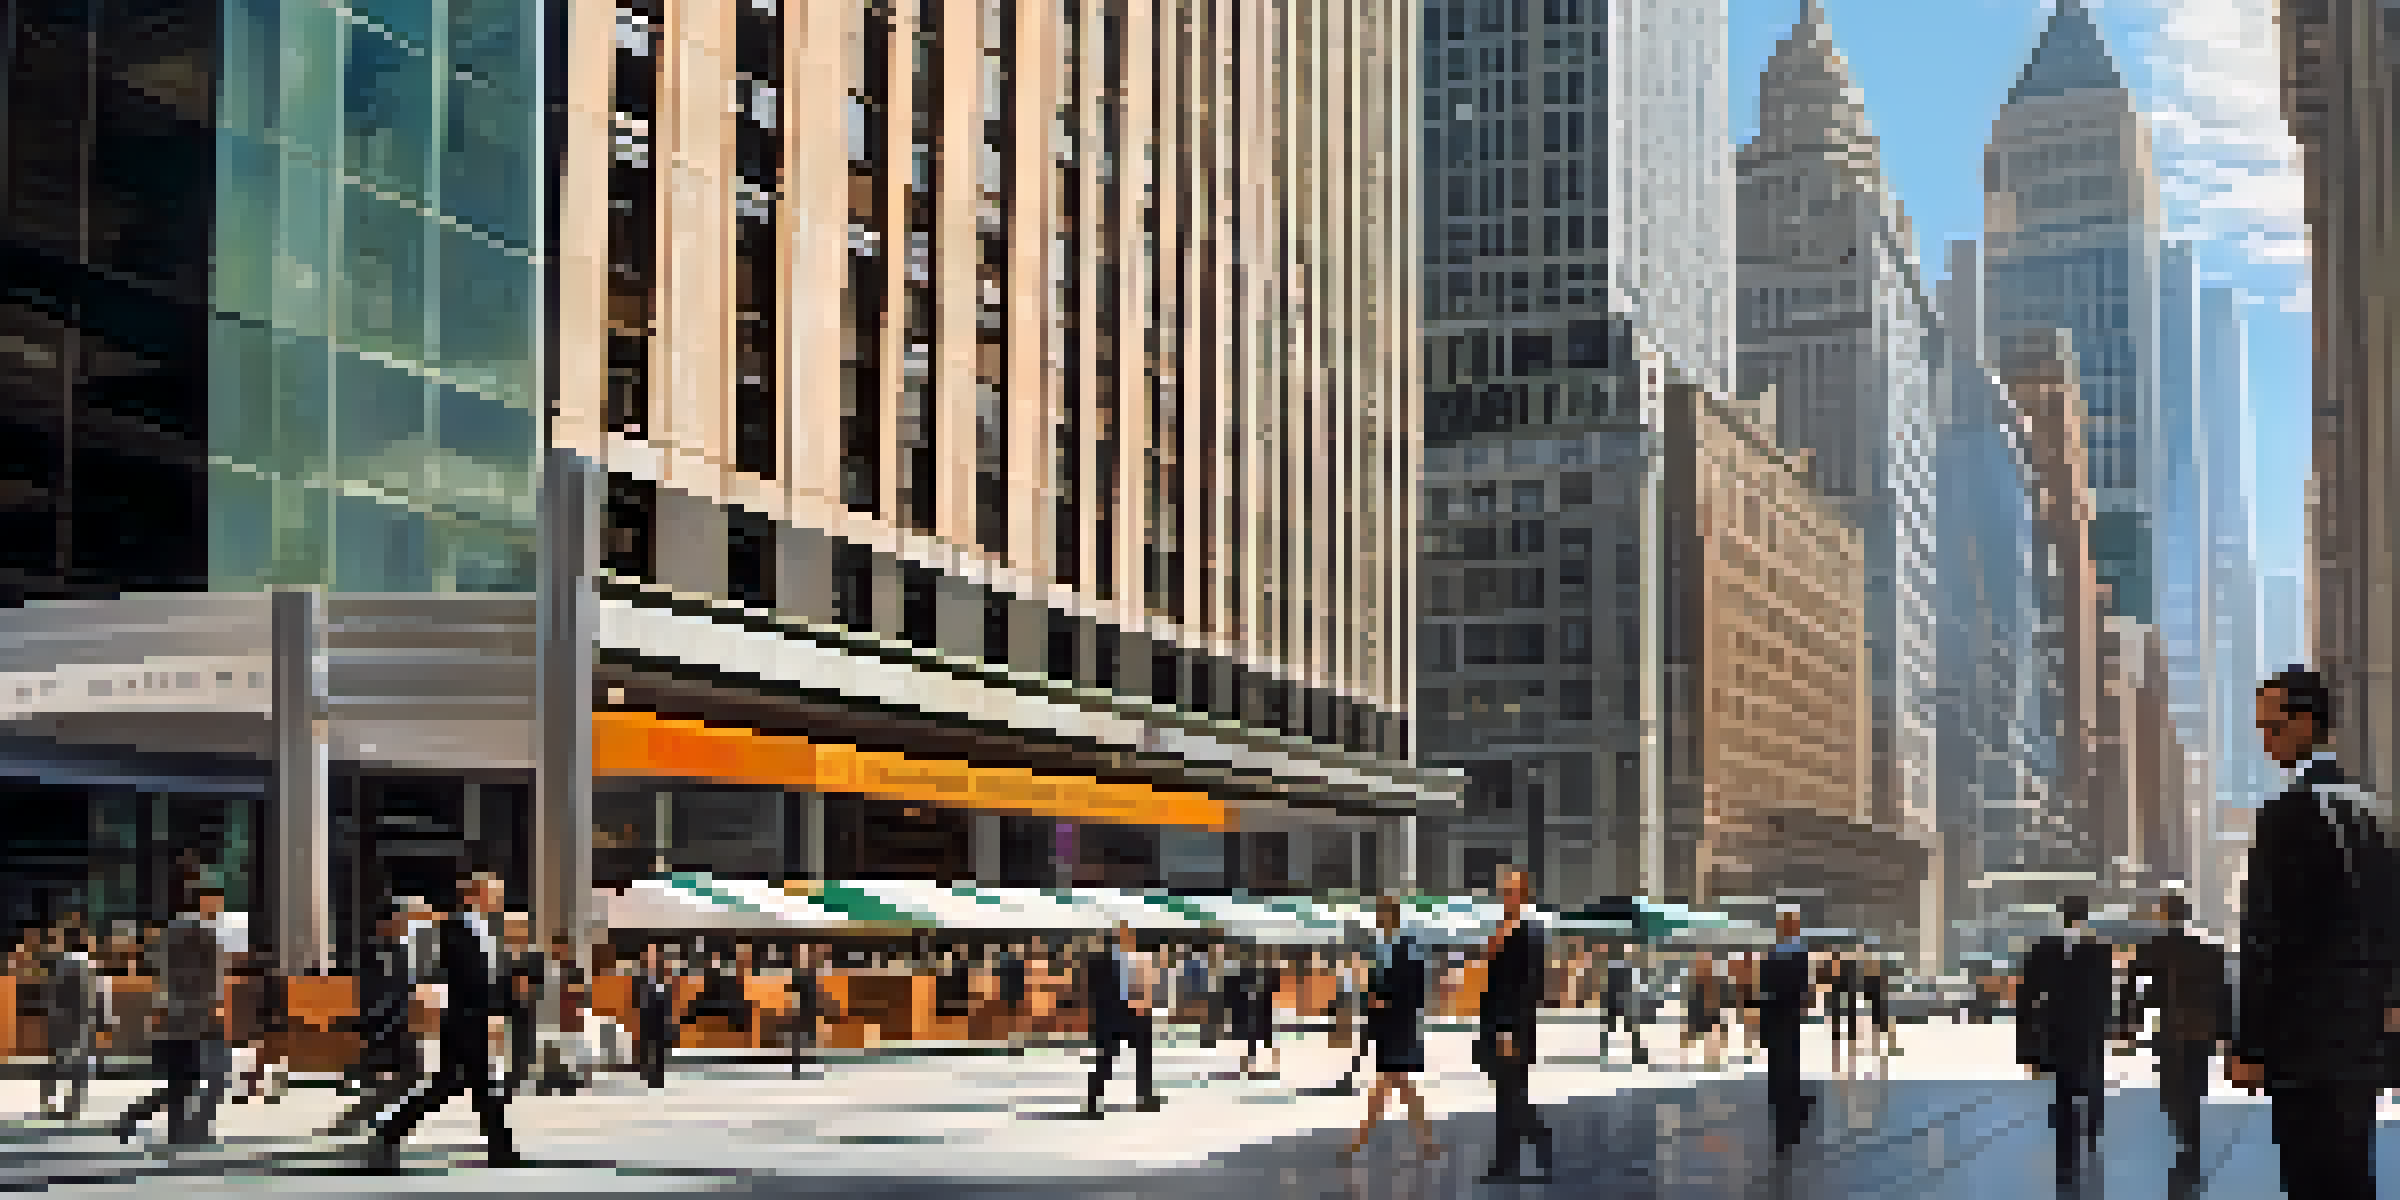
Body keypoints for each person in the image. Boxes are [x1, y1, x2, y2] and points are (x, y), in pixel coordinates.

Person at [2229, 667, 2400, 1200]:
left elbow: (2266, 936)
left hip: (2302, 1041)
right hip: (2363, 1038)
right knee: (2353, 1173)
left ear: (2308, 723)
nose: (2265, 741)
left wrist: (2250, 1044)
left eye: (2274, 727)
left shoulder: (2287, 815)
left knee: (2310, 1179)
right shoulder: (2377, 812)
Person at [364, 871, 521, 1171]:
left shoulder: (489, 932)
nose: (499, 900)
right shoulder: (452, 929)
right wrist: (489, 1013)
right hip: (464, 1020)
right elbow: (468, 979)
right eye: (494, 893)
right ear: (475, 896)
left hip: (476, 1019)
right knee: (476, 1086)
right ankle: (500, 1152)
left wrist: (500, 1009)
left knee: (456, 1084)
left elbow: (494, 977)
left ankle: (391, 1131)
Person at [2127, 893, 2230, 1200]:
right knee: (2194, 1089)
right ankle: (2191, 1144)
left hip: (2170, 1032)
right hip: (2201, 1032)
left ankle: (2185, 1139)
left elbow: (2132, 986)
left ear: (2163, 915)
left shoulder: (2151, 949)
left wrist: (2130, 1022)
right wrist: (2229, 1036)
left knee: (2172, 1090)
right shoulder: (2209, 952)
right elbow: (2224, 996)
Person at [112, 885, 230, 1146]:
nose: (219, 907)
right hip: (199, 1016)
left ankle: (165, 1127)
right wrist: (216, 1007)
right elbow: (213, 976)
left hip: (173, 1015)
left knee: (181, 1080)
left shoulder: (167, 934)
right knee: (203, 1079)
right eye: (216, 902)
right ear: (203, 902)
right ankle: (177, 1129)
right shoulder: (205, 932)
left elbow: (160, 972)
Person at [2019, 894, 2115, 1186]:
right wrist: (2110, 1028)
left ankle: (2067, 1146)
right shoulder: (2100, 950)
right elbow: (2105, 995)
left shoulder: (2043, 948)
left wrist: (2027, 1050)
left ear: (2061, 915)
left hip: (2056, 1031)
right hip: (2089, 1031)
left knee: (2063, 1089)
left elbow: (2026, 999)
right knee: (2091, 1080)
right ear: (2085, 916)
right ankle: (2091, 1130)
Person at [1341, 895, 1442, 1163]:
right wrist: (1369, 1001)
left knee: (1389, 1084)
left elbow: (1417, 991)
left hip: (1402, 1027)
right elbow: (1368, 991)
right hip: (1386, 1029)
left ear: (1393, 917)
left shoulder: (1409, 948)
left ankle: (1358, 1142)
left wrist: (1386, 1001)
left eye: (1383, 914)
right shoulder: (1377, 950)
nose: (1378, 919)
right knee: (1399, 1085)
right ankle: (1427, 1142)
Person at [1476, 865, 1552, 1183]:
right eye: (1502, 890)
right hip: (1495, 1023)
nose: (1505, 896)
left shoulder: (1531, 931)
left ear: (1524, 894)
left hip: (1514, 1027)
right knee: (1506, 1097)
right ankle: (1509, 1161)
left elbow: (1528, 987)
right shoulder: (1500, 928)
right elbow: (1490, 975)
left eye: (1511, 891)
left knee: (1513, 1096)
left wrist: (1509, 1028)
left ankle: (1532, 1143)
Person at [327, 902, 423, 1136]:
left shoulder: (402, 952)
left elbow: (404, 988)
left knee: (411, 1074)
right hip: (374, 1025)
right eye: (399, 923)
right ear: (383, 925)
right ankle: (357, 1122)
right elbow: (364, 991)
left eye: (405, 923)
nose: (403, 927)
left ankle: (359, 1118)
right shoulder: (368, 953)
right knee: (375, 1078)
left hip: (399, 1025)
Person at [1083, 921, 1161, 1116]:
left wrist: (1145, 1005)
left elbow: (1146, 985)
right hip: (1109, 1018)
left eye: (1130, 935)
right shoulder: (1099, 961)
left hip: (1135, 1015)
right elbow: (1092, 993)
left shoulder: (1138, 960)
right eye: (1124, 935)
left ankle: (1145, 1097)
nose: (1129, 939)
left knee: (1144, 1057)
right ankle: (1093, 1100)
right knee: (1105, 1061)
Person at [1759, 909, 1815, 1152]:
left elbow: (1764, 985)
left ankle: (1784, 1116)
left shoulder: (1771, 954)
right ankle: (1791, 1117)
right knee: (1790, 1065)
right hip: (1789, 1018)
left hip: (1775, 1016)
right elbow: (1805, 992)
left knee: (1778, 1069)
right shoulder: (1799, 955)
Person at [40, 923, 100, 1121]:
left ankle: (48, 1101)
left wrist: (51, 1016)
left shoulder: (60, 964)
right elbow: (96, 996)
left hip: (61, 1019)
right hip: (82, 1021)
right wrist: (100, 1019)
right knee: (79, 1066)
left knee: (57, 1062)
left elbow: (50, 995)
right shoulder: (88, 964)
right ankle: (73, 1106)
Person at [635, 941, 679, 1088]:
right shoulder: (640, 976)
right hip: (646, 1014)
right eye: (649, 954)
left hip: (660, 1013)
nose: (651, 957)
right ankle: (647, 1074)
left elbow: (669, 996)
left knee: (659, 1045)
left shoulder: (665, 974)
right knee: (647, 1044)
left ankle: (657, 1076)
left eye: (654, 954)